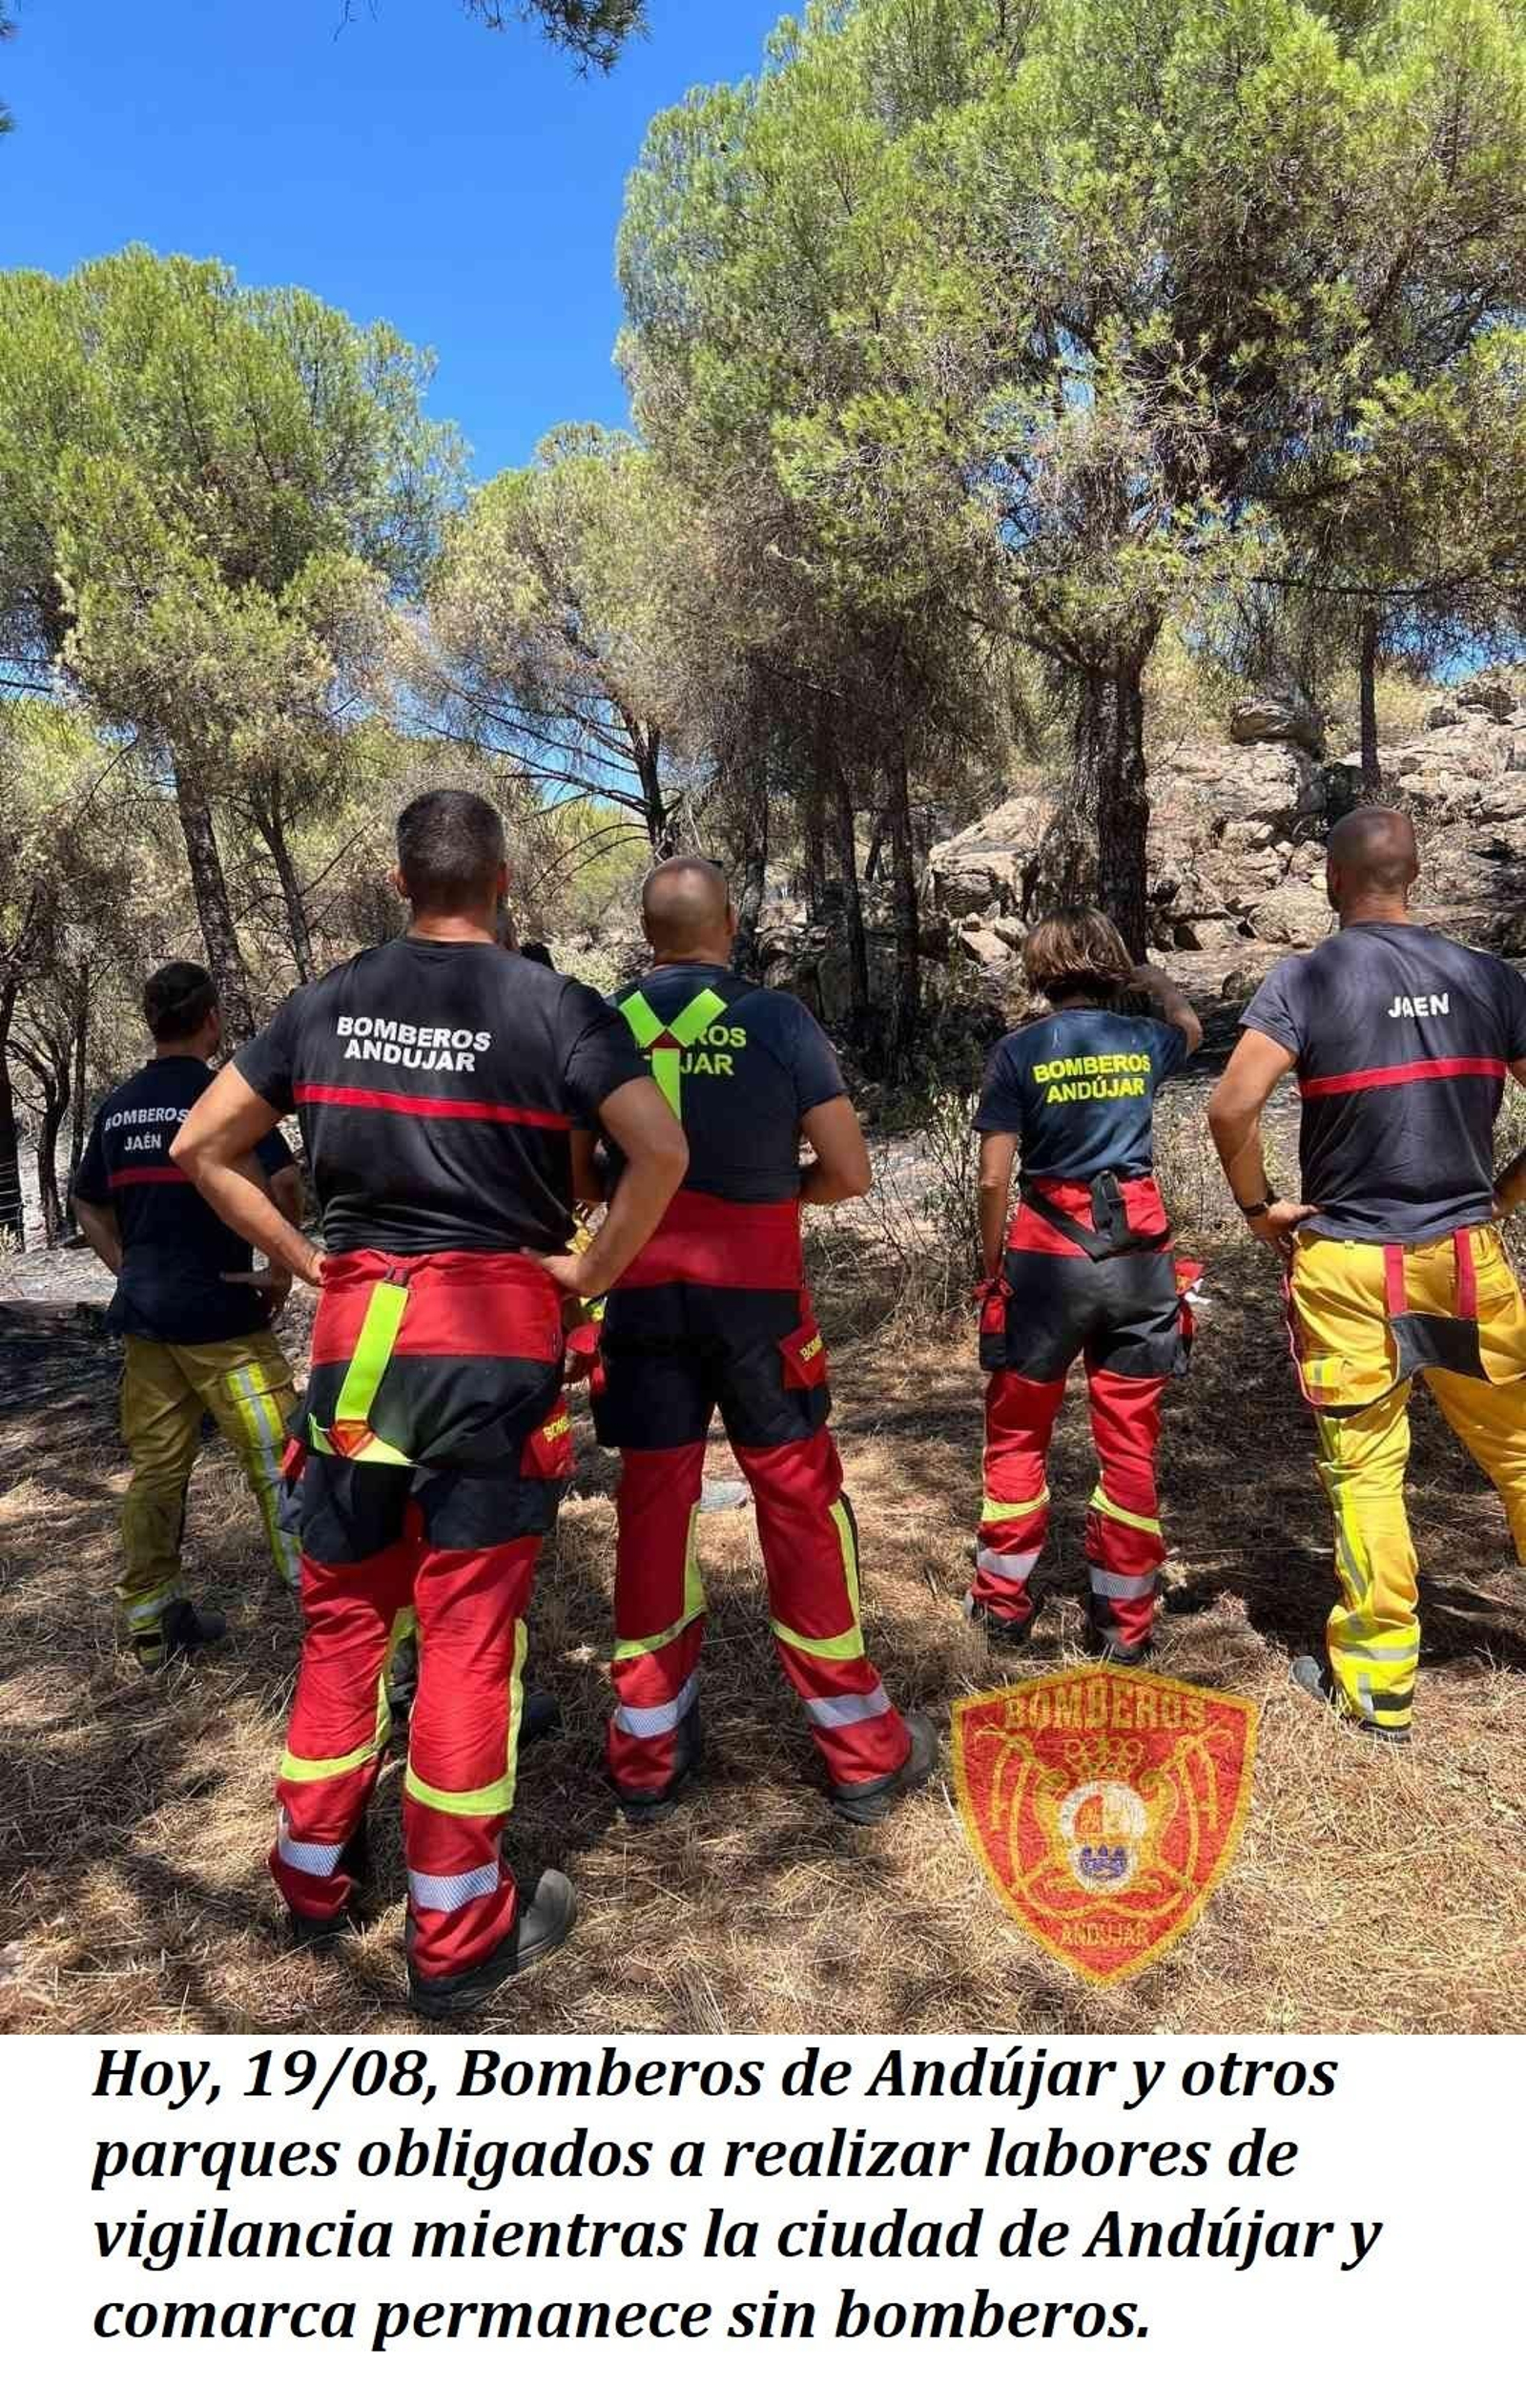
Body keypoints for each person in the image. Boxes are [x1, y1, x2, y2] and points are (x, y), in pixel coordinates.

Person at [172, 790, 687, 2019]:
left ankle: (309, 1875)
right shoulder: (557, 1006)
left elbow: (203, 1147)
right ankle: (456, 1927)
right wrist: (590, 1272)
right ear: (502, 880)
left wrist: (312, 1266)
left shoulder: (326, 1001)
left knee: (345, 1617)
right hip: (491, 1344)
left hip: (358, 1343)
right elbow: (658, 1153)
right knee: (464, 1632)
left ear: (401, 884)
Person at [591, 857, 936, 1827]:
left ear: (646, 933)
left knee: (652, 1509)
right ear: (731, 925)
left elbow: (578, 1171)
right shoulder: (778, 1020)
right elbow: (852, 1168)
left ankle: (648, 1750)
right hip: (759, 1305)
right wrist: (769, 1197)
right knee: (797, 1501)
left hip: (642, 1303)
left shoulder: (604, 1021)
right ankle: (862, 1750)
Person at [1208, 805, 1526, 1745]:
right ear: (1414, 877)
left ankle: (1379, 1684)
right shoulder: (1487, 979)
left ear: (1332, 881)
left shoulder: (1304, 979)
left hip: (1346, 1266)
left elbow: (1229, 1110)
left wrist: (1261, 1208)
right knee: (1517, 1453)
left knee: (1364, 1475)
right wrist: (1502, 1196)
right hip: (1466, 1262)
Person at [968, 911, 1202, 1660]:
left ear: (1040, 970)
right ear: (1110, 967)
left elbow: (995, 1174)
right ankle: (1125, 1624)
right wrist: (1156, 980)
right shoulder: (1146, 1041)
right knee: (1130, 1445)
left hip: (1045, 1262)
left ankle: (1003, 1604)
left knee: (1016, 1432)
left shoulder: (1018, 1051)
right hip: (1139, 1260)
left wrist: (988, 1262)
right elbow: (1192, 1030)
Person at [71, 962, 305, 1672]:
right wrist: (279, 1270)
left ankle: (151, 1621)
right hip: (223, 1317)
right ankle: (333, 1615)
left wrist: (128, 1269)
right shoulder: (226, 1097)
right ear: (210, 1020)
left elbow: (87, 1203)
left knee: (156, 1469)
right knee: (281, 1462)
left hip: (147, 1322)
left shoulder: (117, 1107)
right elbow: (287, 1181)